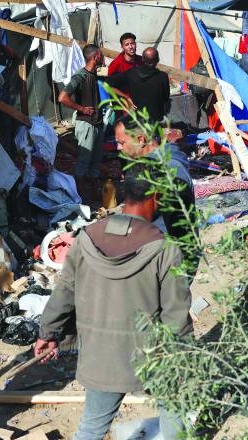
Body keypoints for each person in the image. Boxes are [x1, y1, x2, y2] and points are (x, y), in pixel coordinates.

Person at [34, 168, 193, 440]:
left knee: (89, 431)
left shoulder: (85, 239)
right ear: (154, 198)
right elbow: (176, 317)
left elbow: (63, 294)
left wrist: (49, 332)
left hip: (101, 358)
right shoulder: (165, 249)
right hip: (150, 357)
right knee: (173, 404)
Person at [114, 118, 198, 276]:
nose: (118, 147)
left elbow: (158, 224)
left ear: (141, 140)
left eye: (121, 142)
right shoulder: (165, 163)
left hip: (169, 265)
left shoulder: (163, 172)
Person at [58, 44, 104, 190]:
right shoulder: (80, 76)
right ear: (96, 56)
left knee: (95, 161)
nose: (103, 57)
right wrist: (82, 108)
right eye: (101, 55)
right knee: (84, 161)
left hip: (97, 123)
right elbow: (62, 97)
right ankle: (80, 196)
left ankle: (94, 193)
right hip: (86, 124)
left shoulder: (94, 74)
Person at [105, 47, 171, 126]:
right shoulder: (162, 77)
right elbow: (166, 98)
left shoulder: (131, 73)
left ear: (142, 59)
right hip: (155, 122)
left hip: (137, 121)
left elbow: (107, 83)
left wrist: (126, 97)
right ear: (158, 59)